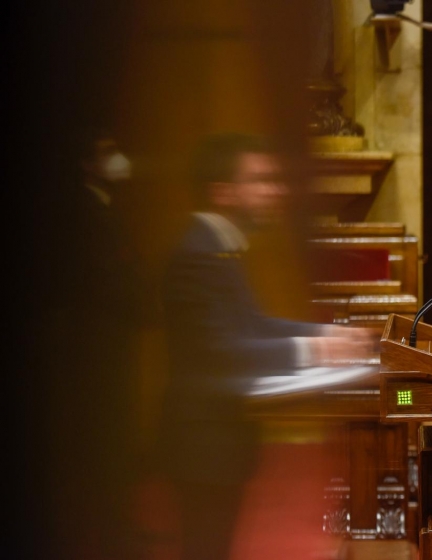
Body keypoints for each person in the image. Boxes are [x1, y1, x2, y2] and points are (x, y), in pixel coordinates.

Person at [159, 133, 374, 560]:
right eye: (260, 180)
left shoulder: (217, 247)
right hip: (202, 439)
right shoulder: (197, 255)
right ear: (223, 191)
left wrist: (326, 335)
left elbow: (254, 324)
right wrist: (316, 352)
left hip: (219, 434)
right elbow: (219, 349)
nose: (274, 190)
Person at [48, 129, 147, 559]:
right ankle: (111, 534)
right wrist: (147, 311)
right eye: (107, 152)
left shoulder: (104, 208)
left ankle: (119, 526)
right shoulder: (84, 213)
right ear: (88, 164)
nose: (118, 159)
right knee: (104, 438)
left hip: (113, 342)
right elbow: (104, 281)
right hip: (98, 347)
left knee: (117, 435)